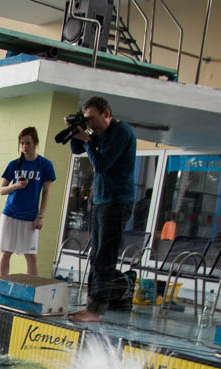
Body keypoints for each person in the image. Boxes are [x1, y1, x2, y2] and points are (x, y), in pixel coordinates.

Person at [67, 96, 136, 323]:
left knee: (105, 257)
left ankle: (96, 311)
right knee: (95, 256)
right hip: (100, 203)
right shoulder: (97, 133)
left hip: (116, 203)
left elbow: (101, 165)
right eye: (87, 120)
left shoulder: (121, 132)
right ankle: (91, 305)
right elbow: (76, 150)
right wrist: (76, 131)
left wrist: (87, 139)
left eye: (92, 119)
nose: (91, 125)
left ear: (106, 113)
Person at [0, 127, 56, 277]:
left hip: (30, 216)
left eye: (27, 143)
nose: (24, 147)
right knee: (5, 253)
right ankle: (2, 286)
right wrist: (16, 186)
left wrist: (40, 216)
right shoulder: (14, 164)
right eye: (22, 143)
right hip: (10, 213)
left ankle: (31, 290)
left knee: (31, 256)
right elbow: (2, 190)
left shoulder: (45, 165)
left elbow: (46, 193)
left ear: (35, 143)